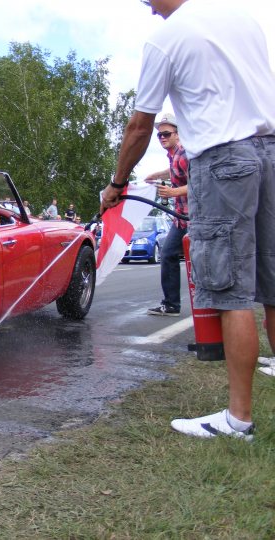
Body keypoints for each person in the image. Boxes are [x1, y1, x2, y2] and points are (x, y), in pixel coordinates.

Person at [101, 0, 275, 439]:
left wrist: (117, 183)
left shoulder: (166, 38)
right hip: (270, 151)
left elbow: (139, 126)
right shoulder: (240, 16)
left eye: (148, 2)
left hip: (223, 160)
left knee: (230, 290)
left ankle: (238, 420)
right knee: (273, 285)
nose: (151, 11)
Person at [144, 113, 189, 317]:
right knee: (168, 253)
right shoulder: (173, 155)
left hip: (194, 218)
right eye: (159, 135)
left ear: (178, 134)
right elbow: (173, 171)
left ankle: (212, 308)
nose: (162, 138)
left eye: (167, 134)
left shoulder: (184, 154)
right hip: (180, 218)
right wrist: (156, 175)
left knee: (198, 262)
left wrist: (173, 192)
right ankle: (171, 304)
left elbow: (200, 184)